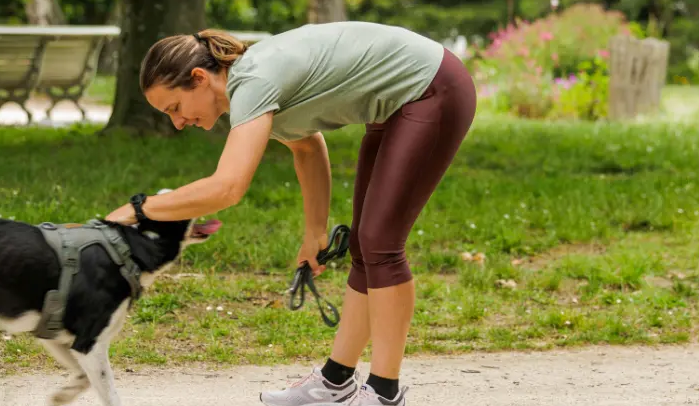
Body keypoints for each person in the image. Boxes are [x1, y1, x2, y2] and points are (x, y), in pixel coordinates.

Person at [103, 21, 477, 406]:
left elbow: (228, 187)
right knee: (366, 245)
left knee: (381, 243)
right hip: (397, 105)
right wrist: (314, 232)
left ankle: (384, 393)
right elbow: (307, 147)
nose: (177, 122)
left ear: (199, 78)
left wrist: (138, 210)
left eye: (175, 108)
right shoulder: (251, 87)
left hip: (432, 89)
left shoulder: (252, 80)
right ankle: (336, 381)